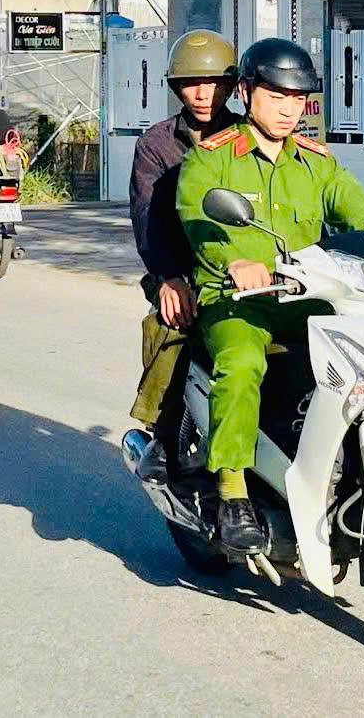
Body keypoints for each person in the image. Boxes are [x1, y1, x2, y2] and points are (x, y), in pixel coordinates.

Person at [176, 38, 364, 553]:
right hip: (238, 303)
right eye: (276, 96)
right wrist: (236, 262)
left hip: (308, 299)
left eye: (298, 99)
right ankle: (233, 492)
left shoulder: (317, 163)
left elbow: (362, 214)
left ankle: (348, 471)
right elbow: (198, 218)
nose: (288, 109)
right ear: (246, 93)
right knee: (241, 363)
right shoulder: (212, 159)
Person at [126, 30, 240, 443]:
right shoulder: (156, 144)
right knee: (172, 328)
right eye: (191, 84)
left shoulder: (246, 136)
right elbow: (148, 217)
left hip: (241, 269)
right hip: (180, 268)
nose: (203, 94)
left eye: (214, 83)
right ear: (177, 88)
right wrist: (169, 277)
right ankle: (163, 434)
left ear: (230, 86)